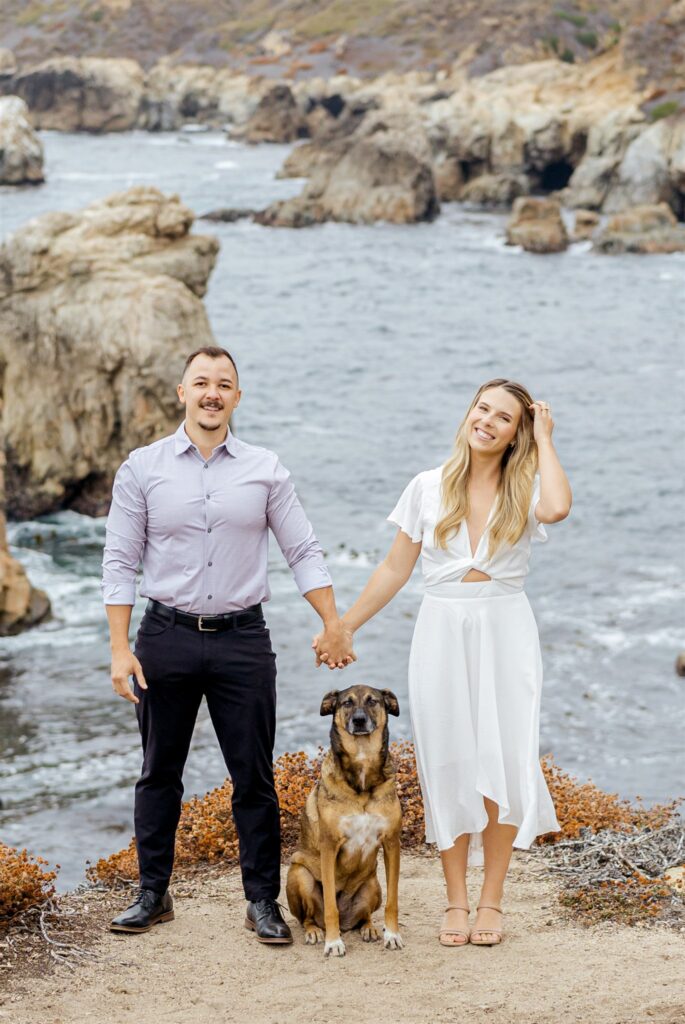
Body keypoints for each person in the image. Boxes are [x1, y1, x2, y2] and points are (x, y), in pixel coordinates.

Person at [102, 345, 355, 943]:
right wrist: (119, 647)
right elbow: (120, 561)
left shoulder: (266, 469)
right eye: (201, 382)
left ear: (237, 397)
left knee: (254, 777)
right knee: (158, 772)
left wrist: (333, 623)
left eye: (224, 384)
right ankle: (152, 893)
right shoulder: (143, 467)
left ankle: (261, 901)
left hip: (244, 641)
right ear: (182, 393)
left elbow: (302, 551)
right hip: (165, 637)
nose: (212, 392)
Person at [314, 378, 571, 947]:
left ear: (516, 433)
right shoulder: (428, 487)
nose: (488, 421)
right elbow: (393, 569)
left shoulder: (526, 484)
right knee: (449, 761)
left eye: (504, 418)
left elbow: (557, 507)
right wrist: (345, 625)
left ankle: (492, 902)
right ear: (469, 413)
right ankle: (456, 901)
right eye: (482, 409)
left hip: (506, 629)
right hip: (441, 632)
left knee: (504, 761)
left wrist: (546, 438)